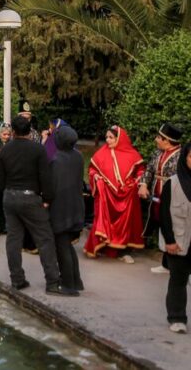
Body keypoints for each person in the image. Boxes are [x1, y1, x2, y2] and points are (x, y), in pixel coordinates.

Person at [0, 115, 75, 295]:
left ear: (13, 132)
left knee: (13, 239)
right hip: (30, 198)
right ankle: (52, 282)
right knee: (45, 239)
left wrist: (9, 191)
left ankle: (17, 280)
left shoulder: (5, 150)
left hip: (10, 197)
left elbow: (0, 180)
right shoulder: (38, 149)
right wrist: (47, 199)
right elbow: (45, 176)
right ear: (30, 131)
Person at [85, 125, 146, 261]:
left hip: (127, 196)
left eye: (111, 137)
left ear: (120, 138)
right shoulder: (101, 153)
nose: (107, 140)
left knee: (126, 224)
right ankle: (104, 247)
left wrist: (135, 182)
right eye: (106, 137)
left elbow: (141, 171)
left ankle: (123, 251)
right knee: (105, 221)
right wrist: (96, 176)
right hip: (107, 195)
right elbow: (92, 169)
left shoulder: (132, 154)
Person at [141, 123, 184, 273]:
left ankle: (177, 266)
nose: (156, 139)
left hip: (174, 198)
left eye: (159, 137)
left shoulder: (182, 156)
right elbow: (149, 170)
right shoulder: (157, 153)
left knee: (174, 228)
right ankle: (166, 265)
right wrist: (143, 185)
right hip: (157, 196)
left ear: (167, 140)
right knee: (161, 225)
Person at [49, 123, 85, 292]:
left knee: (62, 246)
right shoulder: (78, 156)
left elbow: (52, 186)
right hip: (76, 205)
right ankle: (76, 280)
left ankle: (69, 284)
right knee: (67, 245)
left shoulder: (56, 160)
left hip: (61, 208)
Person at [160, 141, 191, 333]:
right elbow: (164, 215)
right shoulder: (173, 183)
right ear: (185, 158)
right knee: (178, 280)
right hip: (179, 242)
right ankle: (177, 317)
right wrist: (169, 241)